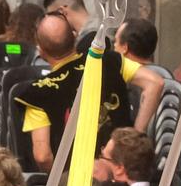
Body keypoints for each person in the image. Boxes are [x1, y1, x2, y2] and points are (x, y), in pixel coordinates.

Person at [15, 12, 129, 174]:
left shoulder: (37, 94)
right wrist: (135, 133)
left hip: (75, 185)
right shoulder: (108, 61)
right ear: (74, 37)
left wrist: (62, 182)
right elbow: (155, 82)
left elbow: (43, 156)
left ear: (41, 51)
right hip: (122, 172)